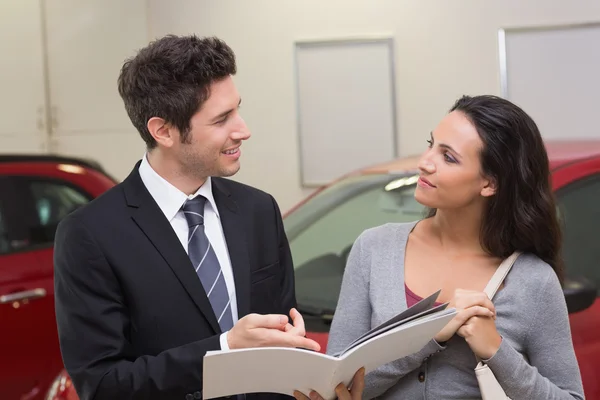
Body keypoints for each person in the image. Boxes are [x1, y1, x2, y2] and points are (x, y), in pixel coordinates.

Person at [53, 34, 320, 400]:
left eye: (237, 110)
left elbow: (283, 331)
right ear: (162, 131)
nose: (243, 130)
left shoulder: (259, 211)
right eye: (222, 119)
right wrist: (223, 349)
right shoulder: (90, 235)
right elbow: (102, 385)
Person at [324, 95, 585, 399]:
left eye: (448, 157)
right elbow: (335, 387)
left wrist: (496, 351)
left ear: (489, 183)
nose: (424, 162)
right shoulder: (373, 249)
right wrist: (427, 336)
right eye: (431, 144)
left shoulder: (534, 282)